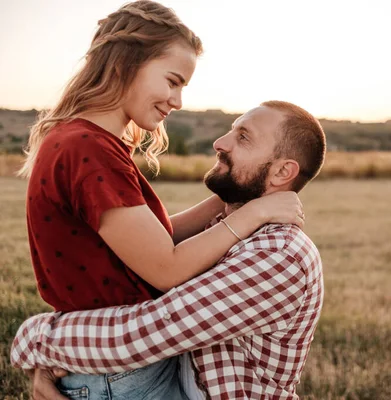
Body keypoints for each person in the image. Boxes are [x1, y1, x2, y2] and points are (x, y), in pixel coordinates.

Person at [17, 1, 304, 398]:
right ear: (125, 65)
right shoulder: (89, 150)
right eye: (172, 80)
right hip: (121, 374)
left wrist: (230, 203)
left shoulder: (85, 142)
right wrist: (253, 213)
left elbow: (155, 239)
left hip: (111, 363)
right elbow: (165, 268)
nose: (178, 100)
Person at [12, 101, 327, 400]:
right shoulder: (229, 226)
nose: (220, 142)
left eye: (243, 138)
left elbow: (142, 335)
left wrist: (35, 337)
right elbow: (148, 251)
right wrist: (61, 369)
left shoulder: (278, 255)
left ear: (282, 173)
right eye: (231, 130)